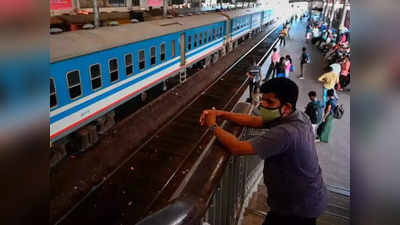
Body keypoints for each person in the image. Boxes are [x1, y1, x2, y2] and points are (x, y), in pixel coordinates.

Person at [200, 78, 327, 225]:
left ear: (286, 107)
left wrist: (212, 126)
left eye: (269, 102)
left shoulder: (286, 133)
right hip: (305, 198)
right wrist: (221, 114)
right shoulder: (298, 116)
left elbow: (237, 147)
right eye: (263, 100)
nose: (263, 105)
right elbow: (255, 121)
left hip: (298, 208)